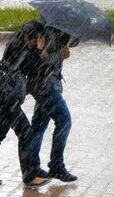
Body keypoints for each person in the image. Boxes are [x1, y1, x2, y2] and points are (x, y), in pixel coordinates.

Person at [0, 20, 50, 187]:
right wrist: (39, 51)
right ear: (34, 37)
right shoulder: (21, 48)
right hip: (8, 99)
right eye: (39, 38)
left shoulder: (17, 42)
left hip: (2, 96)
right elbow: (32, 69)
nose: (40, 41)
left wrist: (37, 51)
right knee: (26, 133)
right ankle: (29, 176)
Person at [27, 27, 79, 182]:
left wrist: (69, 42)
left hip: (45, 85)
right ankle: (56, 165)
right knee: (64, 121)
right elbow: (41, 61)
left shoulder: (59, 28)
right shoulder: (47, 30)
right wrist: (59, 55)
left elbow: (73, 43)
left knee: (39, 126)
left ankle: (32, 167)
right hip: (46, 86)